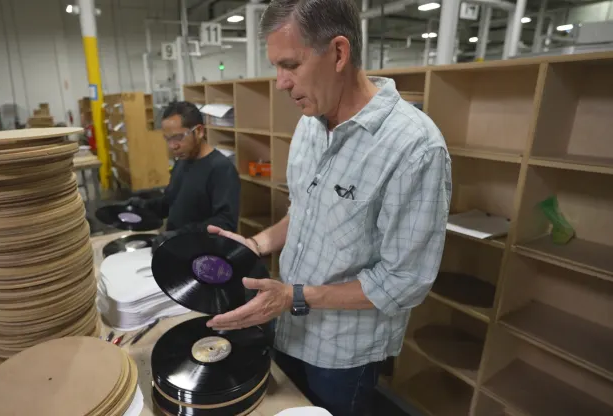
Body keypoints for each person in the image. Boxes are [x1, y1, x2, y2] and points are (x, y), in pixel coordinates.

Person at [204, 1, 452, 415]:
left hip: (344, 354)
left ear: (339, 53)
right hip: (288, 328)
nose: (280, 83)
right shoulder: (310, 122)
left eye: (291, 65)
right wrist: (255, 244)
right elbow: (303, 209)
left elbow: (404, 281)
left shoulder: (414, 148)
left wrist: (294, 297)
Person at [127, 101, 240, 235]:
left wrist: (182, 234)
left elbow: (225, 223)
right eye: (167, 139)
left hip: (202, 252)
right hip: (175, 246)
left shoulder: (221, 169)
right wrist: (145, 206)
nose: (172, 146)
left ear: (199, 131)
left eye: (178, 137)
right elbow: (171, 203)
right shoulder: (182, 161)